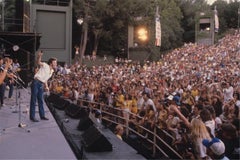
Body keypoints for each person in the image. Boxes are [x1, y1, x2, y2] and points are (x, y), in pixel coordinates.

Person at [29, 51, 57, 122]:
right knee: (33, 100)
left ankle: (42, 116)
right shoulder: (45, 65)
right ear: (51, 63)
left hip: (41, 84)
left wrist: (46, 86)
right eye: (55, 62)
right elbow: (38, 62)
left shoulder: (52, 71)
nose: (56, 64)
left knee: (41, 100)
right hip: (36, 82)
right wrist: (39, 56)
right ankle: (32, 117)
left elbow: (45, 79)